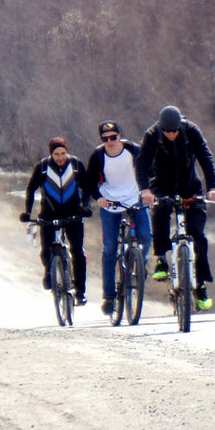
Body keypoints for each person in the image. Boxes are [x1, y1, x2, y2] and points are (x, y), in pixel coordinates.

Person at [136, 105, 215, 311]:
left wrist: (213, 187)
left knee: (197, 234)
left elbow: (205, 158)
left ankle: (200, 285)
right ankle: (161, 259)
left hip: (190, 185)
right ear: (161, 128)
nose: (171, 135)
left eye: (174, 130)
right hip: (162, 185)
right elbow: (141, 164)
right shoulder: (151, 135)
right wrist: (145, 190)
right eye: (167, 131)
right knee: (160, 212)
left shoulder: (191, 130)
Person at [86, 121, 153, 316]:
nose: (110, 142)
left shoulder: (134, 151)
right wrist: (99, 199)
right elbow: (90, 182)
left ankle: (141, 265)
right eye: (105, 139)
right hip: (111, 202)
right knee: (109, 248)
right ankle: (109, 296)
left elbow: (150, 172)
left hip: (134, 198)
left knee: (145, 237)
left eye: (113, 137)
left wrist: (149, 192)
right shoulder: (98, 156)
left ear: (120, 136)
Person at [22, 137, 91, 305]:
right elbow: (31, 189)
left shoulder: (75, 165)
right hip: (48, 215)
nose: (60, 157)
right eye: (56, 154)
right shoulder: (43, 168)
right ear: (51, 154)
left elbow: (86, 187)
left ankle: (80, 291)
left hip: (73, 214)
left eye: (63, 153)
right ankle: (49, 271)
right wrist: (27, 212)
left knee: (78, 252)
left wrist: (85, 206)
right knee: (46, 249)